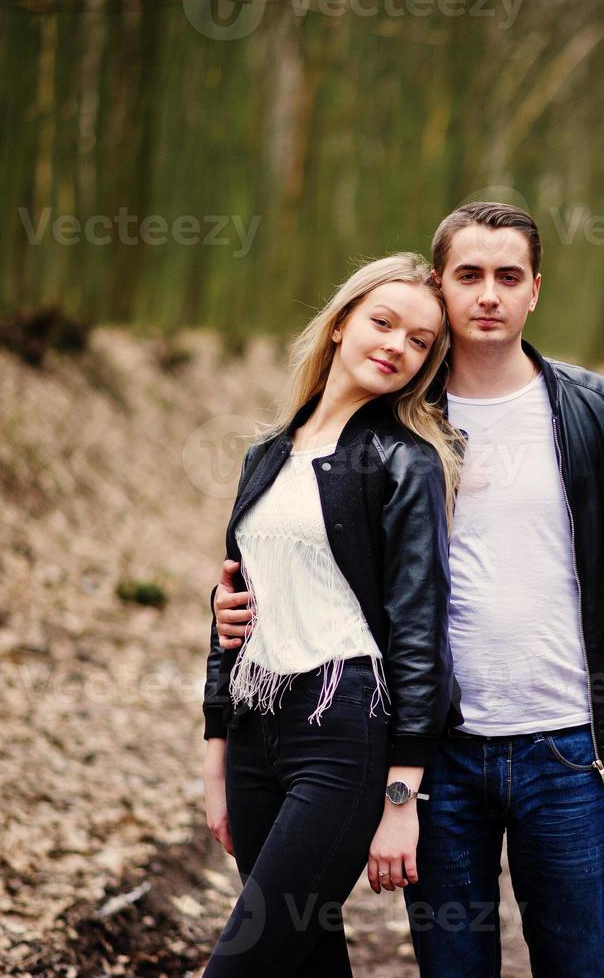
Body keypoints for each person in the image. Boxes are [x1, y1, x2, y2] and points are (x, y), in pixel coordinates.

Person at [213, 205, 604, 976]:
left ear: (534, 290)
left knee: (578, 966)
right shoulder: (387, 422)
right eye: (468, 276)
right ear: (438, 287)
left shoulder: (597, 411)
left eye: (507, 276)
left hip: (569, 752)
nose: (488, 295)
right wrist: (239, 602)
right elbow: (310, 552)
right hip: (437, 760)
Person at [200, 253, 465, 976]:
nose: (396, 347)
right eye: (383, 323)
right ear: (342, 321)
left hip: (342, 733)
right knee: (305, 962)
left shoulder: (404, 462)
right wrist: (215, 753)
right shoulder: (267, 453)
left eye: (418, 342)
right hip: (256, 730)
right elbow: (236, 600)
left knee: (244, 962)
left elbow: (419, 629)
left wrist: (402, 794)